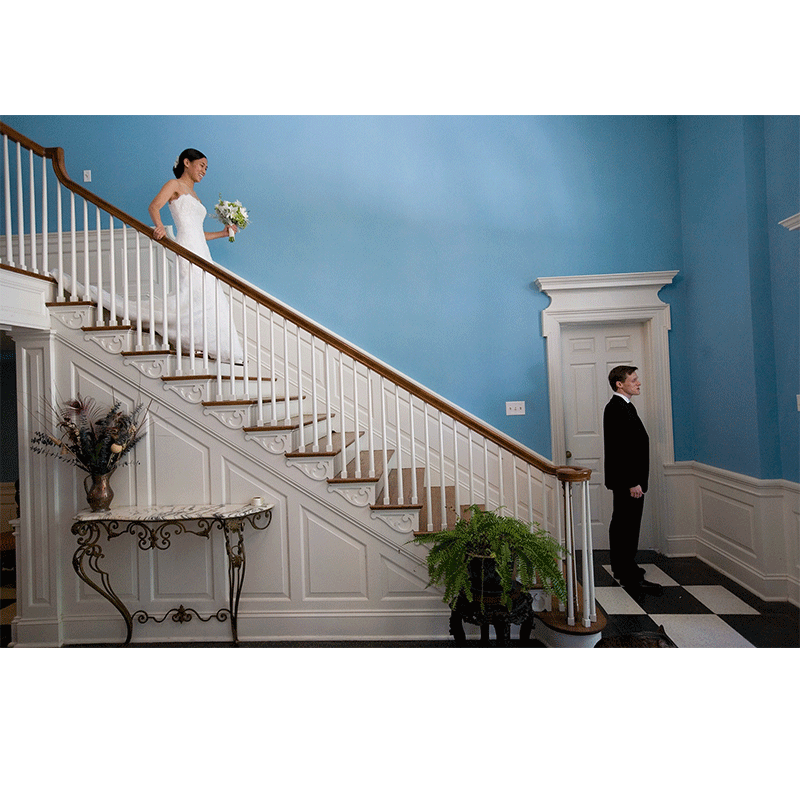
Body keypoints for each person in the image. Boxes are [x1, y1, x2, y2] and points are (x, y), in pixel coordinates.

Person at [148, 148, 244, 364]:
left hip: (201, 249)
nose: (204, 170)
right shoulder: (174, 186)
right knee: (192, 294)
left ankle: (205, 346)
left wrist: (223, 232)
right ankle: (192, 343)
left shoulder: (196, 196)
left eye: (206, 168)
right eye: (201, 165)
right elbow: (154, 206)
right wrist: (160, 227)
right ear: (186, 162)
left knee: (209, 296)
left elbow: (198, 232)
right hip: (187, 247)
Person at [602, 366, 661, 594]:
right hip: (628, 482)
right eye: (634, 379)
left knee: (623, 524)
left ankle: (624, 567)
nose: (638, 383)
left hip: (628, 480)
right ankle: (628, 575)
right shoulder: (616, 408)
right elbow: (621, 450)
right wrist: (632, 482)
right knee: (626, 526)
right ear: (620, 384)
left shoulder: (624, 406)